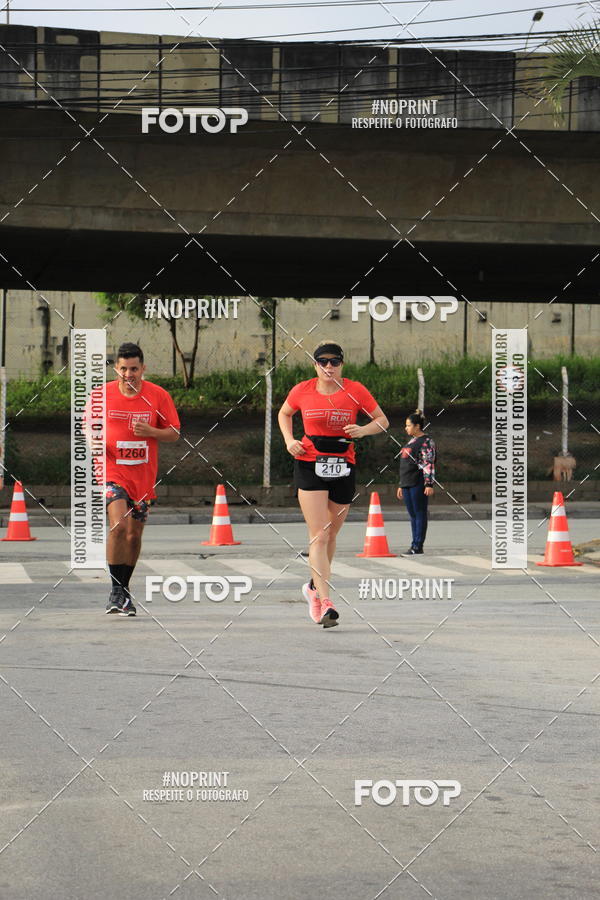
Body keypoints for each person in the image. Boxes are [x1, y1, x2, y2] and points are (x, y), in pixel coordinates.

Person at [278, 341, 389, 627]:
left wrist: (363, 430)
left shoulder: (355, 390)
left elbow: (382, 421)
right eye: (323, 362)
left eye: (334, 362)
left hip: (343, 465)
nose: (329, 367)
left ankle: (312, 587)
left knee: (331, 534)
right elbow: (284, 413)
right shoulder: (302, 390)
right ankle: (324, 600)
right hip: (309, 463)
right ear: (315, 365)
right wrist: (290, 440)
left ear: (342, 364)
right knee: (320, 534)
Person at [99, 342, 180, 616]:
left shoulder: (158, 395)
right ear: (116, 369)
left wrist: (151, 431)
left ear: (143, 368)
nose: (128, 374)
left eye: (134, 369)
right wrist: (93, 441)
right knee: (119, 526)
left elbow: (174, 433)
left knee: (133, 536)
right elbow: (86, 428)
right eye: (123, 369)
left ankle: (123, 589)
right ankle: (115, 590)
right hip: (112, 473)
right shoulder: (101, 395)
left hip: (142, 477)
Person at [396, 409, 436, 555]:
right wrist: (401, 484)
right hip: (406, 482)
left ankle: (417, 546)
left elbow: (428, 463)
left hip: (418, 482)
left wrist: (428, 483)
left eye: (408, 425)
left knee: (419, 513)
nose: (406, 428)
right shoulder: (411, 441)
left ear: (417, 426)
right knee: (412, 514)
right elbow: (406, 464)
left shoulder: (426, 441)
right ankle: (414, 543)